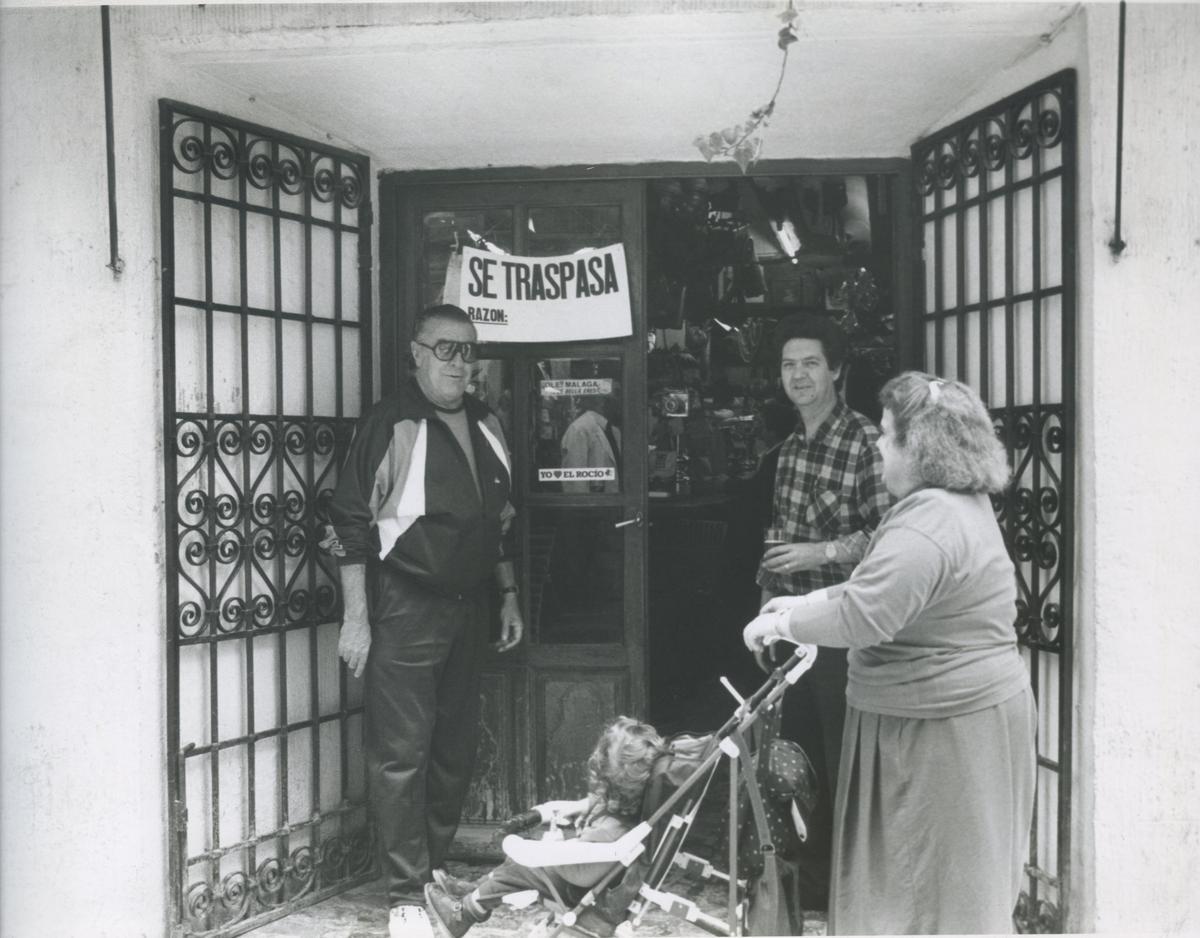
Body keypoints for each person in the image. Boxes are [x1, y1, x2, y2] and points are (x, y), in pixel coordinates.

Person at [743, 372, 1036, 934]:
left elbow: (865, 614)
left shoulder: (930, 522)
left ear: (918, 446)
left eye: (886, 434)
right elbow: (879, 583)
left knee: (928, 885)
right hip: (948, 720)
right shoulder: (950, 508)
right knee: (936, 882)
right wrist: (807, 598)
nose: (877, 446)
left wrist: (782, 621)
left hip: (942, 732)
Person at [324, 304, 525, 938]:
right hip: (405, 606)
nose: (459, 362)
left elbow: (501, 522)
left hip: (468, 606)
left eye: (468, 350)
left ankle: (432, 872)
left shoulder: (488, 424)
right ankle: (405, 895)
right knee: (400, 752)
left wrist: (510, 594)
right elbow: (350, 523)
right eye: (445, 349)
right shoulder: (392, 422)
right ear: (416, 353)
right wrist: (356, 618)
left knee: (452, 750)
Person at [755, 314, 890, 910]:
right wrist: (765, 608)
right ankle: (810, 886)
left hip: (843, 630)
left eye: (811, 363)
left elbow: (891, 535)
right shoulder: (787, 450)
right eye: (789, 365)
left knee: (843, 763)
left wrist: (825, 551)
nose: (799, 375)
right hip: (792, 633)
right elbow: (778, 540)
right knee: (797, 763)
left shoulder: (866, 441)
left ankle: (852, 889)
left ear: (837, 370)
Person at [422, 717, 666, 938]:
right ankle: (476, 890)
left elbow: (584, 872)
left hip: (581, 889)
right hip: (582, 880)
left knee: (522, 865)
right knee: (519, 866)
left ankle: (462, 914)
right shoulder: (624, 807)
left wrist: (550, 851)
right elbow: (586, 804)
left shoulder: (611, 830)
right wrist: (560, 811)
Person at [560, 392, 621, 494]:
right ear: (601, 401)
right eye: (616, 392)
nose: (619, 400)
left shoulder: (613, 431)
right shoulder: (580, 429)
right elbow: (576, 482)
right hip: (594, 504)